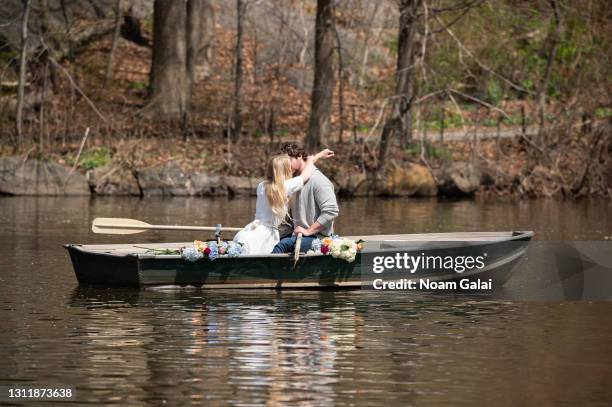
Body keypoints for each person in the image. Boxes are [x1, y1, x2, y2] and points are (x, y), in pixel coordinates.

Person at [233, 149, 335, 254]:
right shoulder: (285, 186)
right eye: (289, 169)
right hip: (266, 236)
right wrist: (317, 156)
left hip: (251, 232)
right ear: (285, 171)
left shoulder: (261, 186)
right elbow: (306, 174)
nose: (292, 171)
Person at [272, 144, 339, 254]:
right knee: (270, 240)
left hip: (318, 238)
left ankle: (267, 270)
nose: (285, 165)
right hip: (297, 235)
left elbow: (331, 211)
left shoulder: (319, 181)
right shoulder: (295, 181)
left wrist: (309, 231)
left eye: (288, 161)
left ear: (299, 157)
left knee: (283, 245)